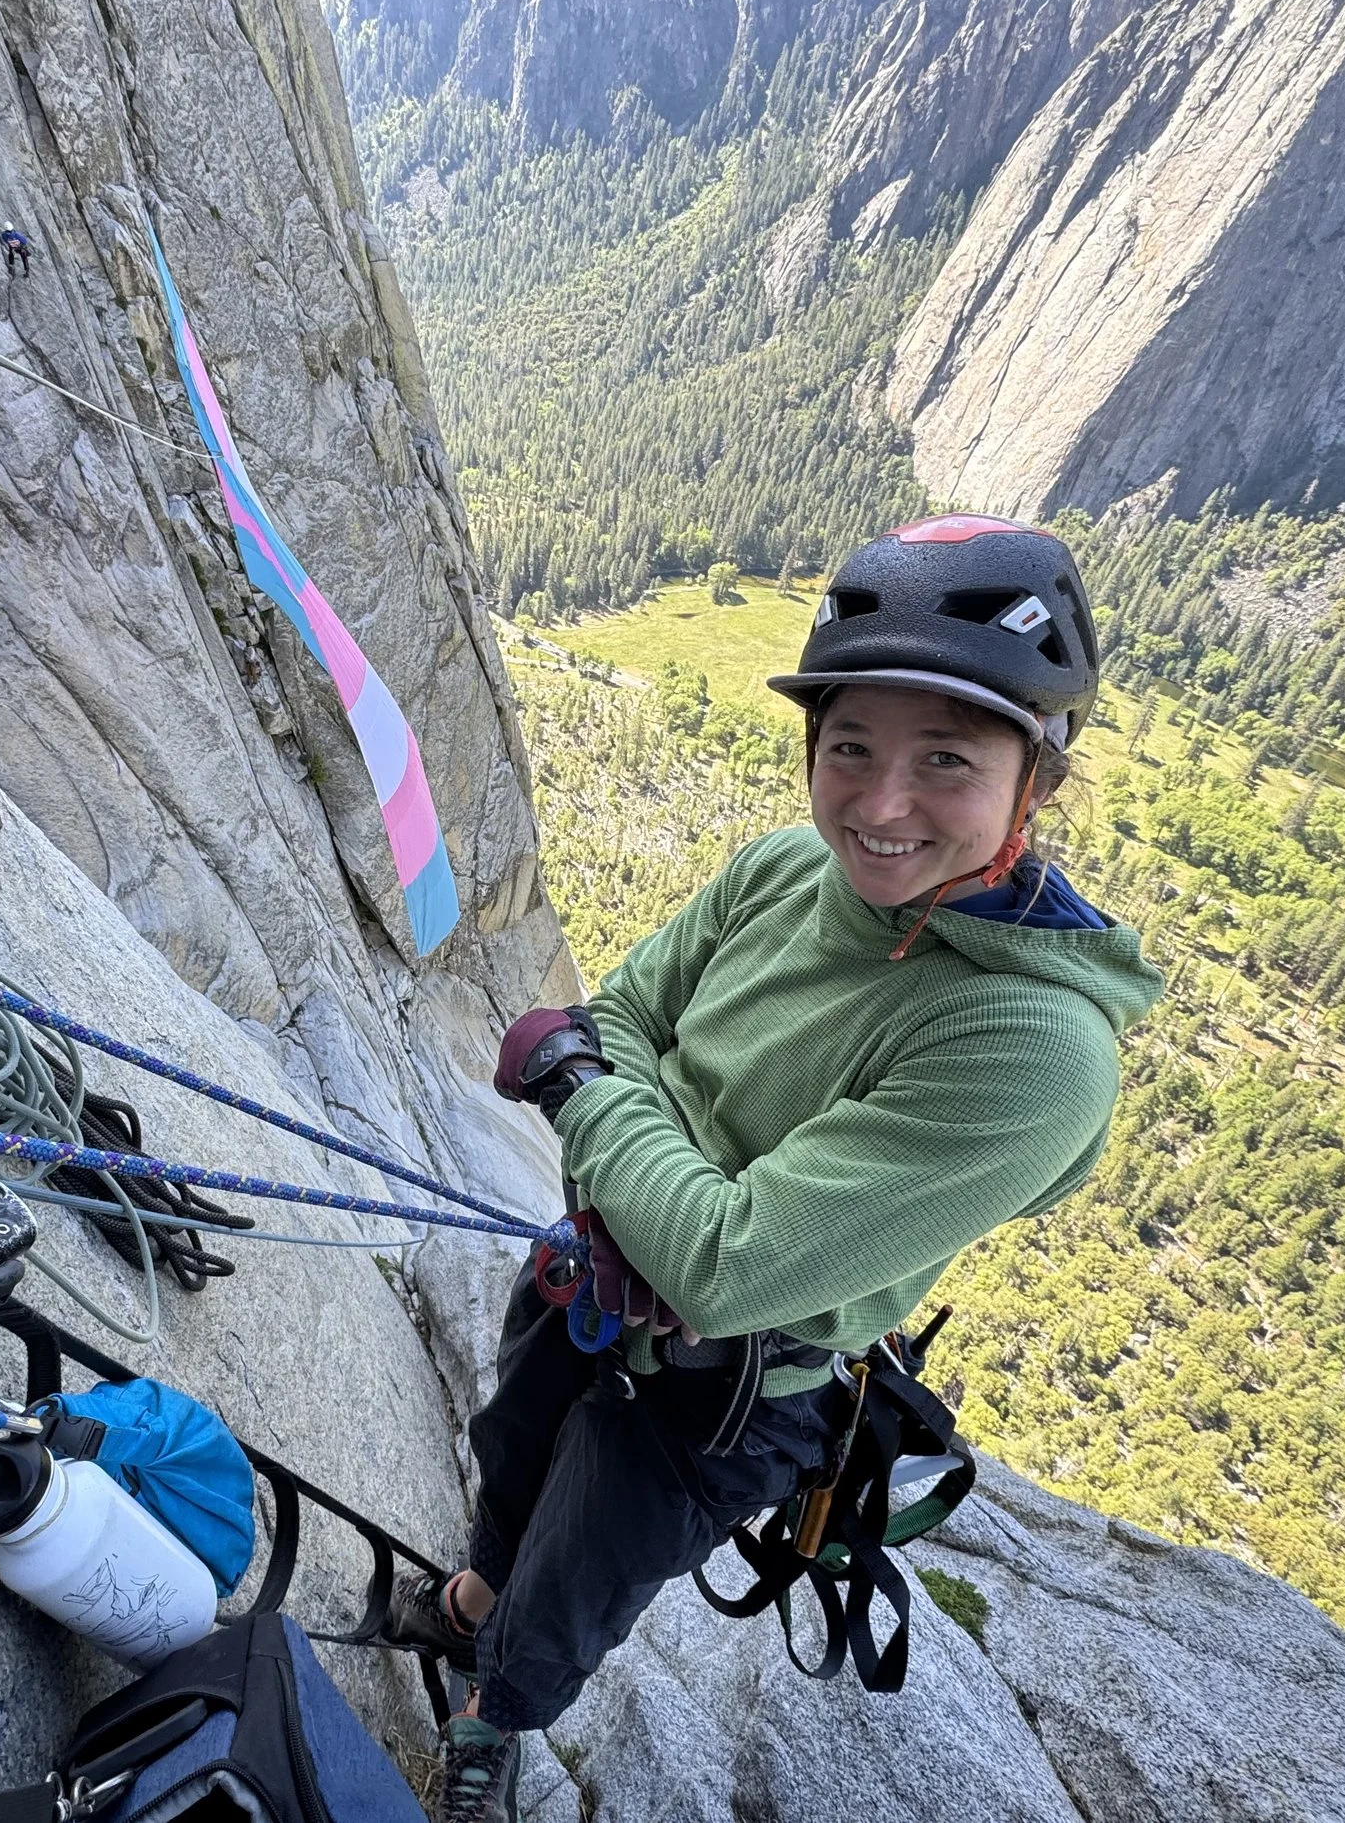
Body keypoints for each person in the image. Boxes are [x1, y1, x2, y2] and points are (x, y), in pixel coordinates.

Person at [395, 516, 1164, 1821]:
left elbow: (723, 1254)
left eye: (947, 761)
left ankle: (494, 1715)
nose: (880, 802)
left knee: (585, 1568)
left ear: (1034, 779)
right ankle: (472, 1599)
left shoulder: (1036, 1048)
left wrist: (589, 1099)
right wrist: (634, 1160)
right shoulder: (782, 867)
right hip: (587, 1273)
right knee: (512, 1450)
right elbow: (628, 1010)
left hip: (739, 1386)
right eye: (850, 744)